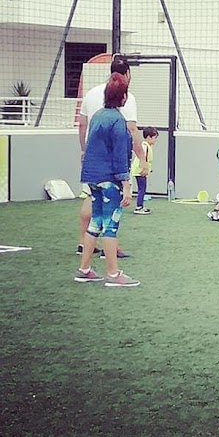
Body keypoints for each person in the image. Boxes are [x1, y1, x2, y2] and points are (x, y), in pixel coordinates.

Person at [74, 72, 139, 287]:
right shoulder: (118, 121)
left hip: (93, 177)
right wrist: (127, 186)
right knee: (111, 225)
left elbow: (91, 146)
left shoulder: (98, 116)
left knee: (96, 222)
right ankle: (113, 273)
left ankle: (84, 269)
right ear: (124, 97)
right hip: (110, 179)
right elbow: (120, 156)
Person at [131, 126, 159, 215]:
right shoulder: (144, 146)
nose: (155, 140)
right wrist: (143, 169)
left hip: (140, 170)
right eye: (154, 138)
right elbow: (142, 158)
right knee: (142, 189)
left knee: (142, 188)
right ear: (149, 137)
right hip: (140, 171)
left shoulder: (147, 146)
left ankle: (140, 206)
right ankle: (139, 207)